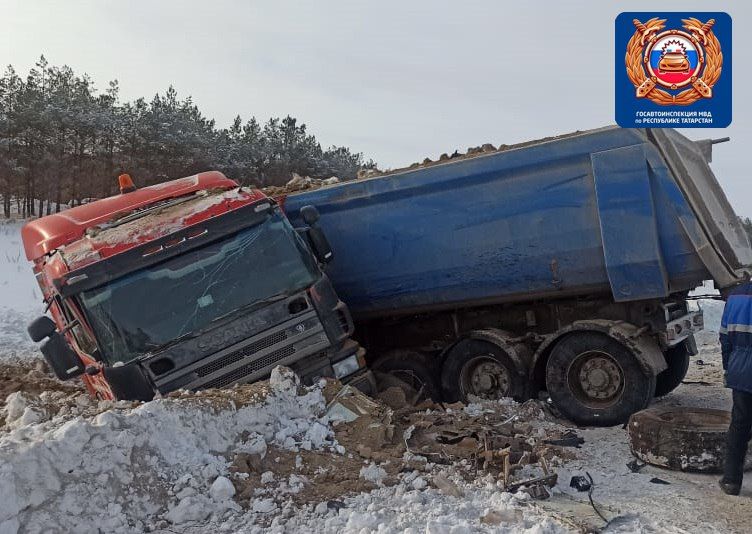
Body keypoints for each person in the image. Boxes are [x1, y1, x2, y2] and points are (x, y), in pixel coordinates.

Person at [719, 279, 752, 496]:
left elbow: (725, 338)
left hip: (742, 370)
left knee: (739, 425)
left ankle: (731, 481)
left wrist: (728, 368)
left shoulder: (736, 297)